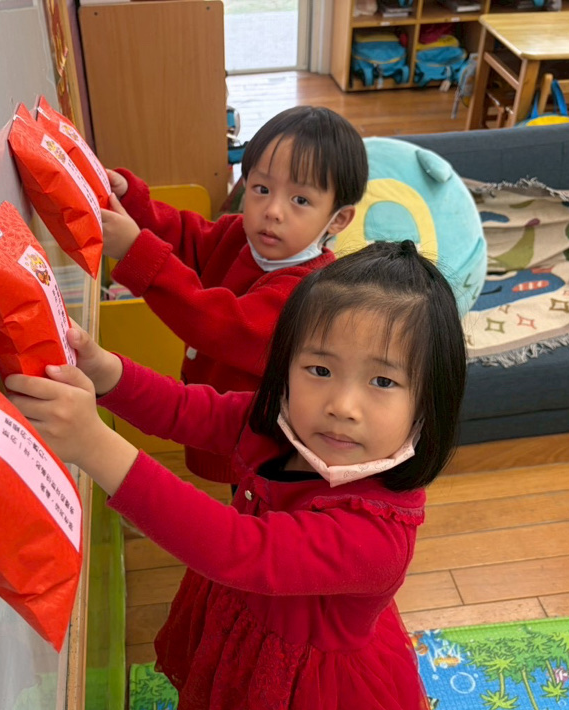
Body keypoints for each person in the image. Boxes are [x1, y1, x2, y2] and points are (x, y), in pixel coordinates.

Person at [5, 241, 465, 710]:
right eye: (319, 369)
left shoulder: (378, 537)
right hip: (242, 632)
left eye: (382, 381)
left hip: (312, 692)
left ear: (429, 402)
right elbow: (186, 410)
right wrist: (107, 373)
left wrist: (94, 446)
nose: (342, 406)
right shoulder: (283, 425)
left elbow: (237, 549)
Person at [100, 105, 368, 486]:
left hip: (262, 448)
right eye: (262, 189)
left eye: (300, 200)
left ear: (337, 219)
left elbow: (217, 325)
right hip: (221, 424)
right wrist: (132, 202)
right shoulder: (240, 234)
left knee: (254, 504)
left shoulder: (307, 296)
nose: (272, 211)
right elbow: (186, 236)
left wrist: (135, 252)